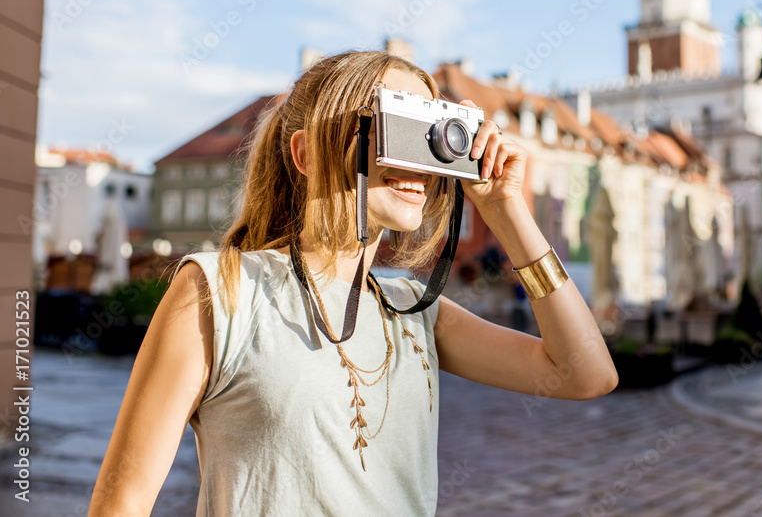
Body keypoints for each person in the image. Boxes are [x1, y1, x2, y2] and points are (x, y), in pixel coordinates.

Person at [89, 51, 618, 516]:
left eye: (431, 135)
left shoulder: (414, 308)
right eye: (396, 128)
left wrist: (508, 214)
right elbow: (122, 503)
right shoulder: (219, 289)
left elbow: (585, 374)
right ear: (307, 154)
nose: (419, 162)